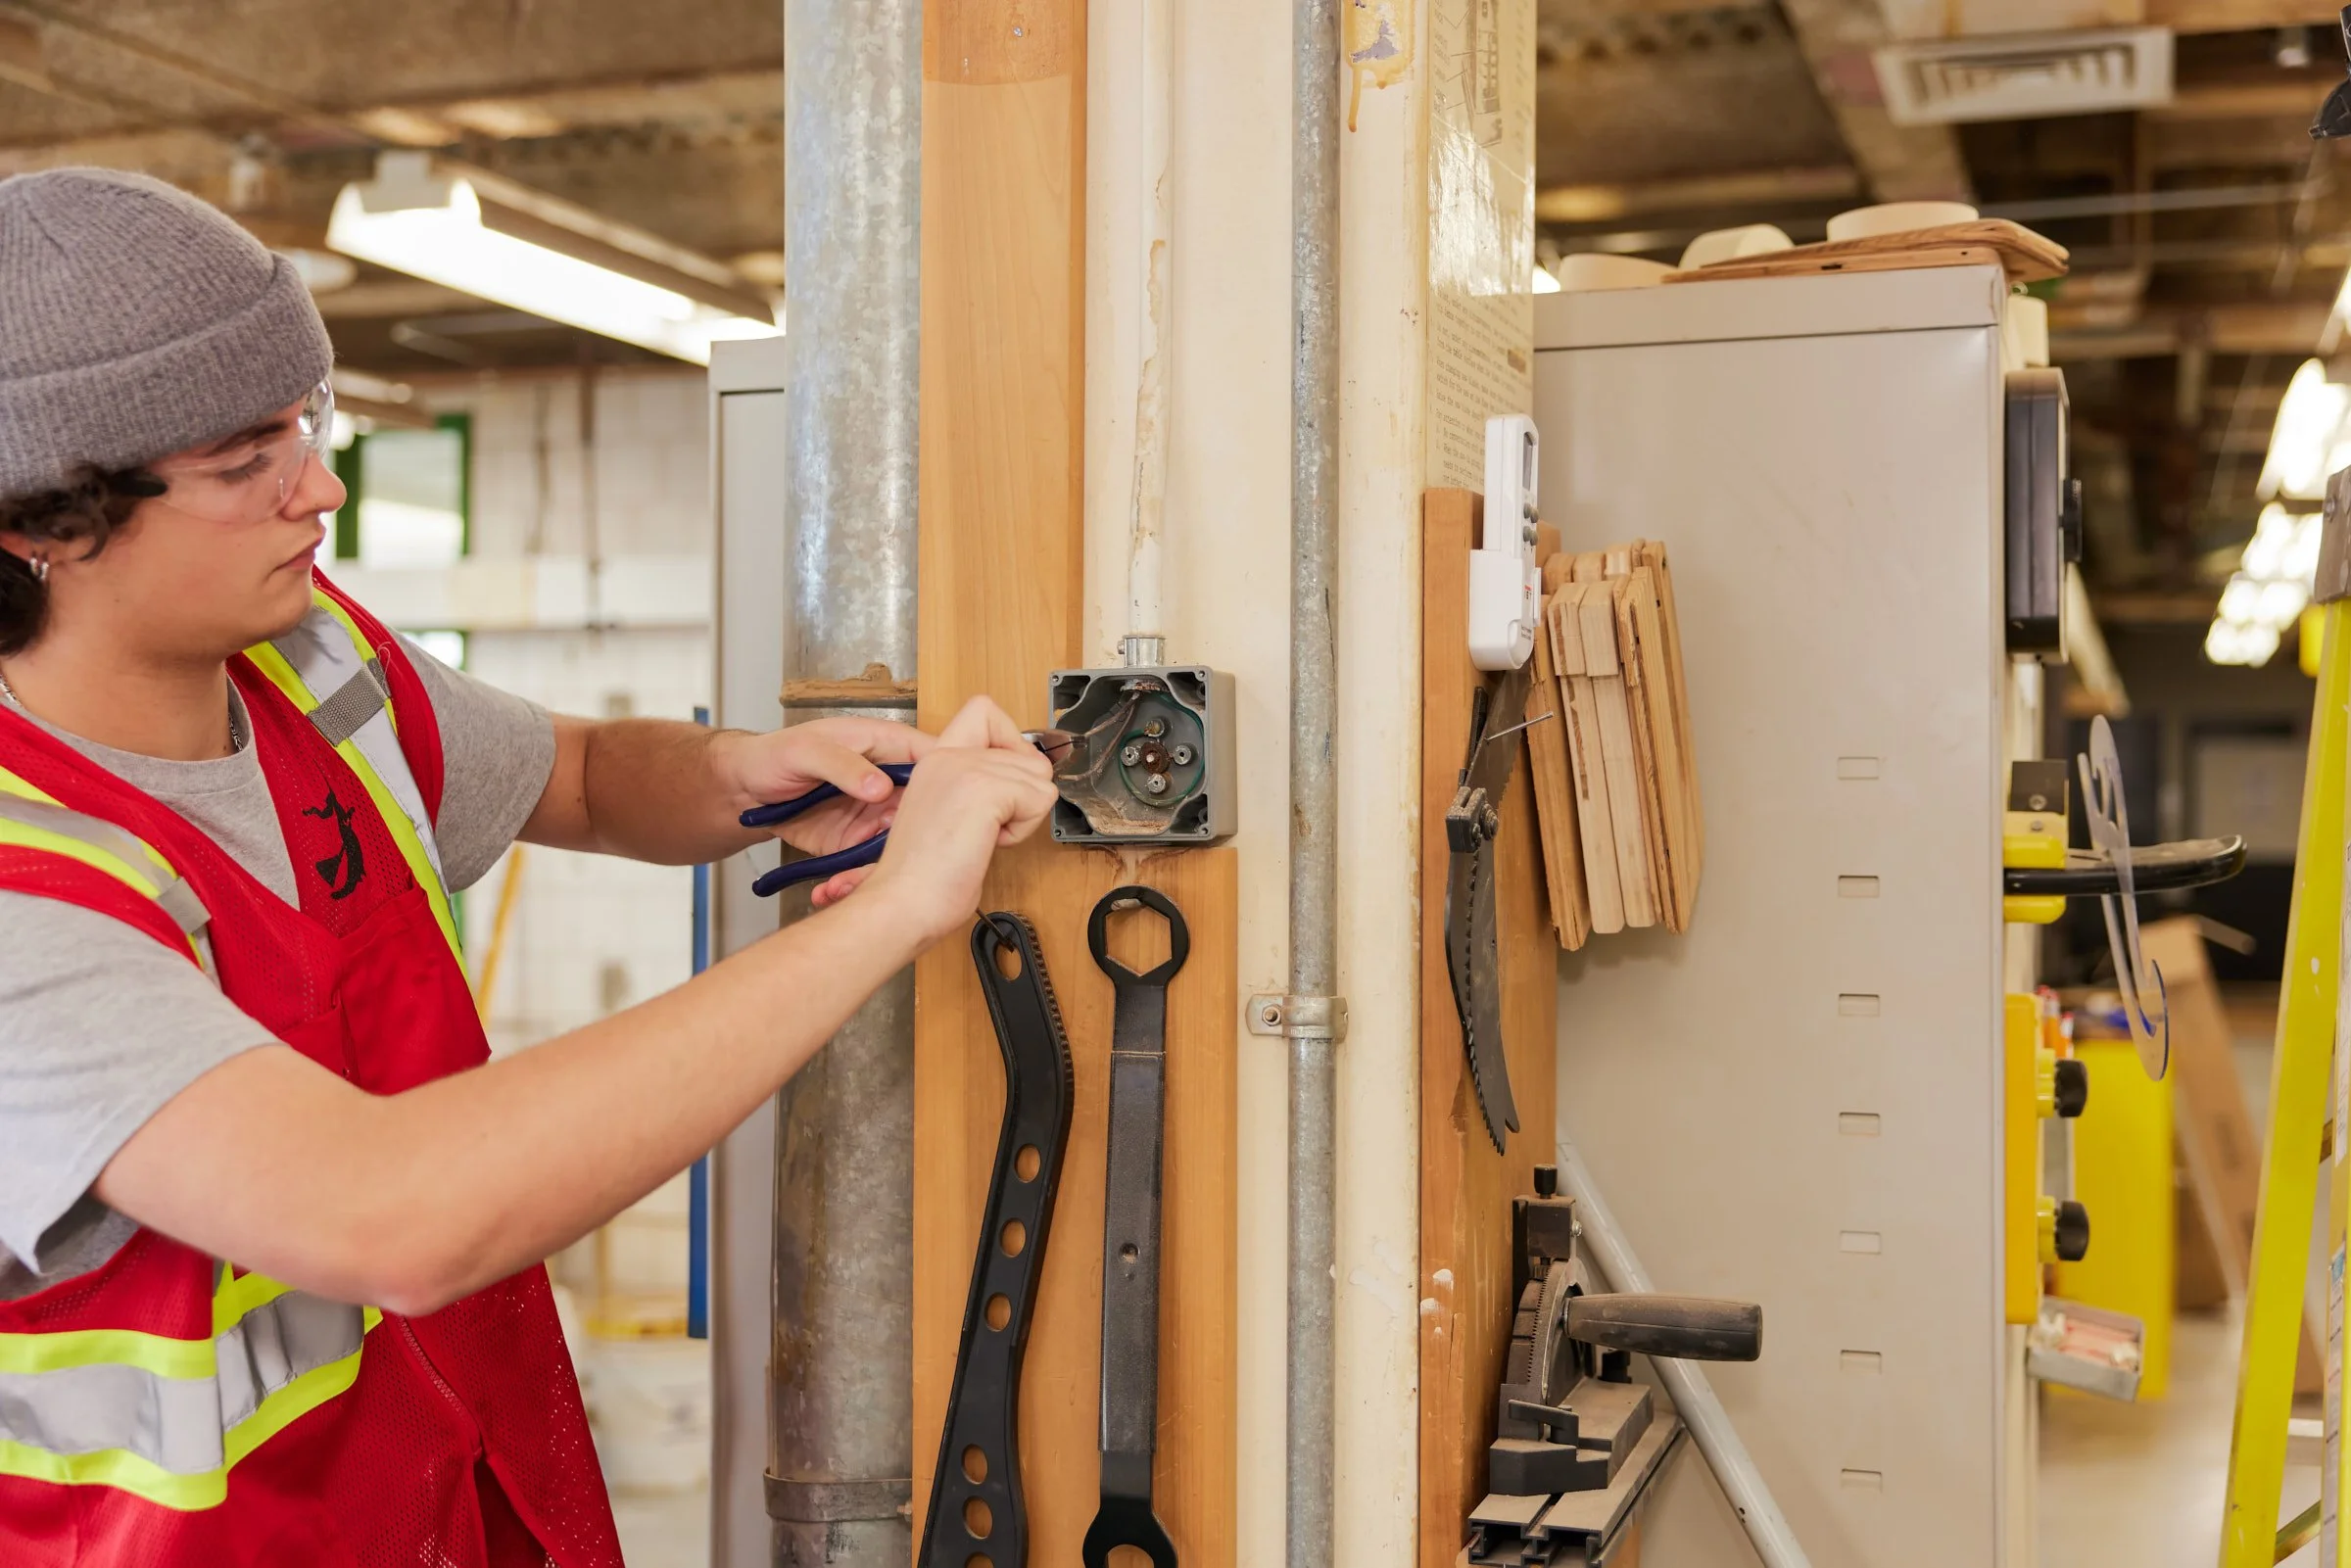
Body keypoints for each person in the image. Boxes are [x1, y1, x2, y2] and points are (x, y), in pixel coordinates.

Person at [0, 167, 1056, 1565]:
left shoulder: (309, 660)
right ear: (39, 524)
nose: (320, 486)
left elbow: (582, 774)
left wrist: (752, 778)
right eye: (246, 459)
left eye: (307, 421)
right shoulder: (29, 890)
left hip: (469, 1504)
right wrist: (884, 920)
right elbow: (390, 1216)